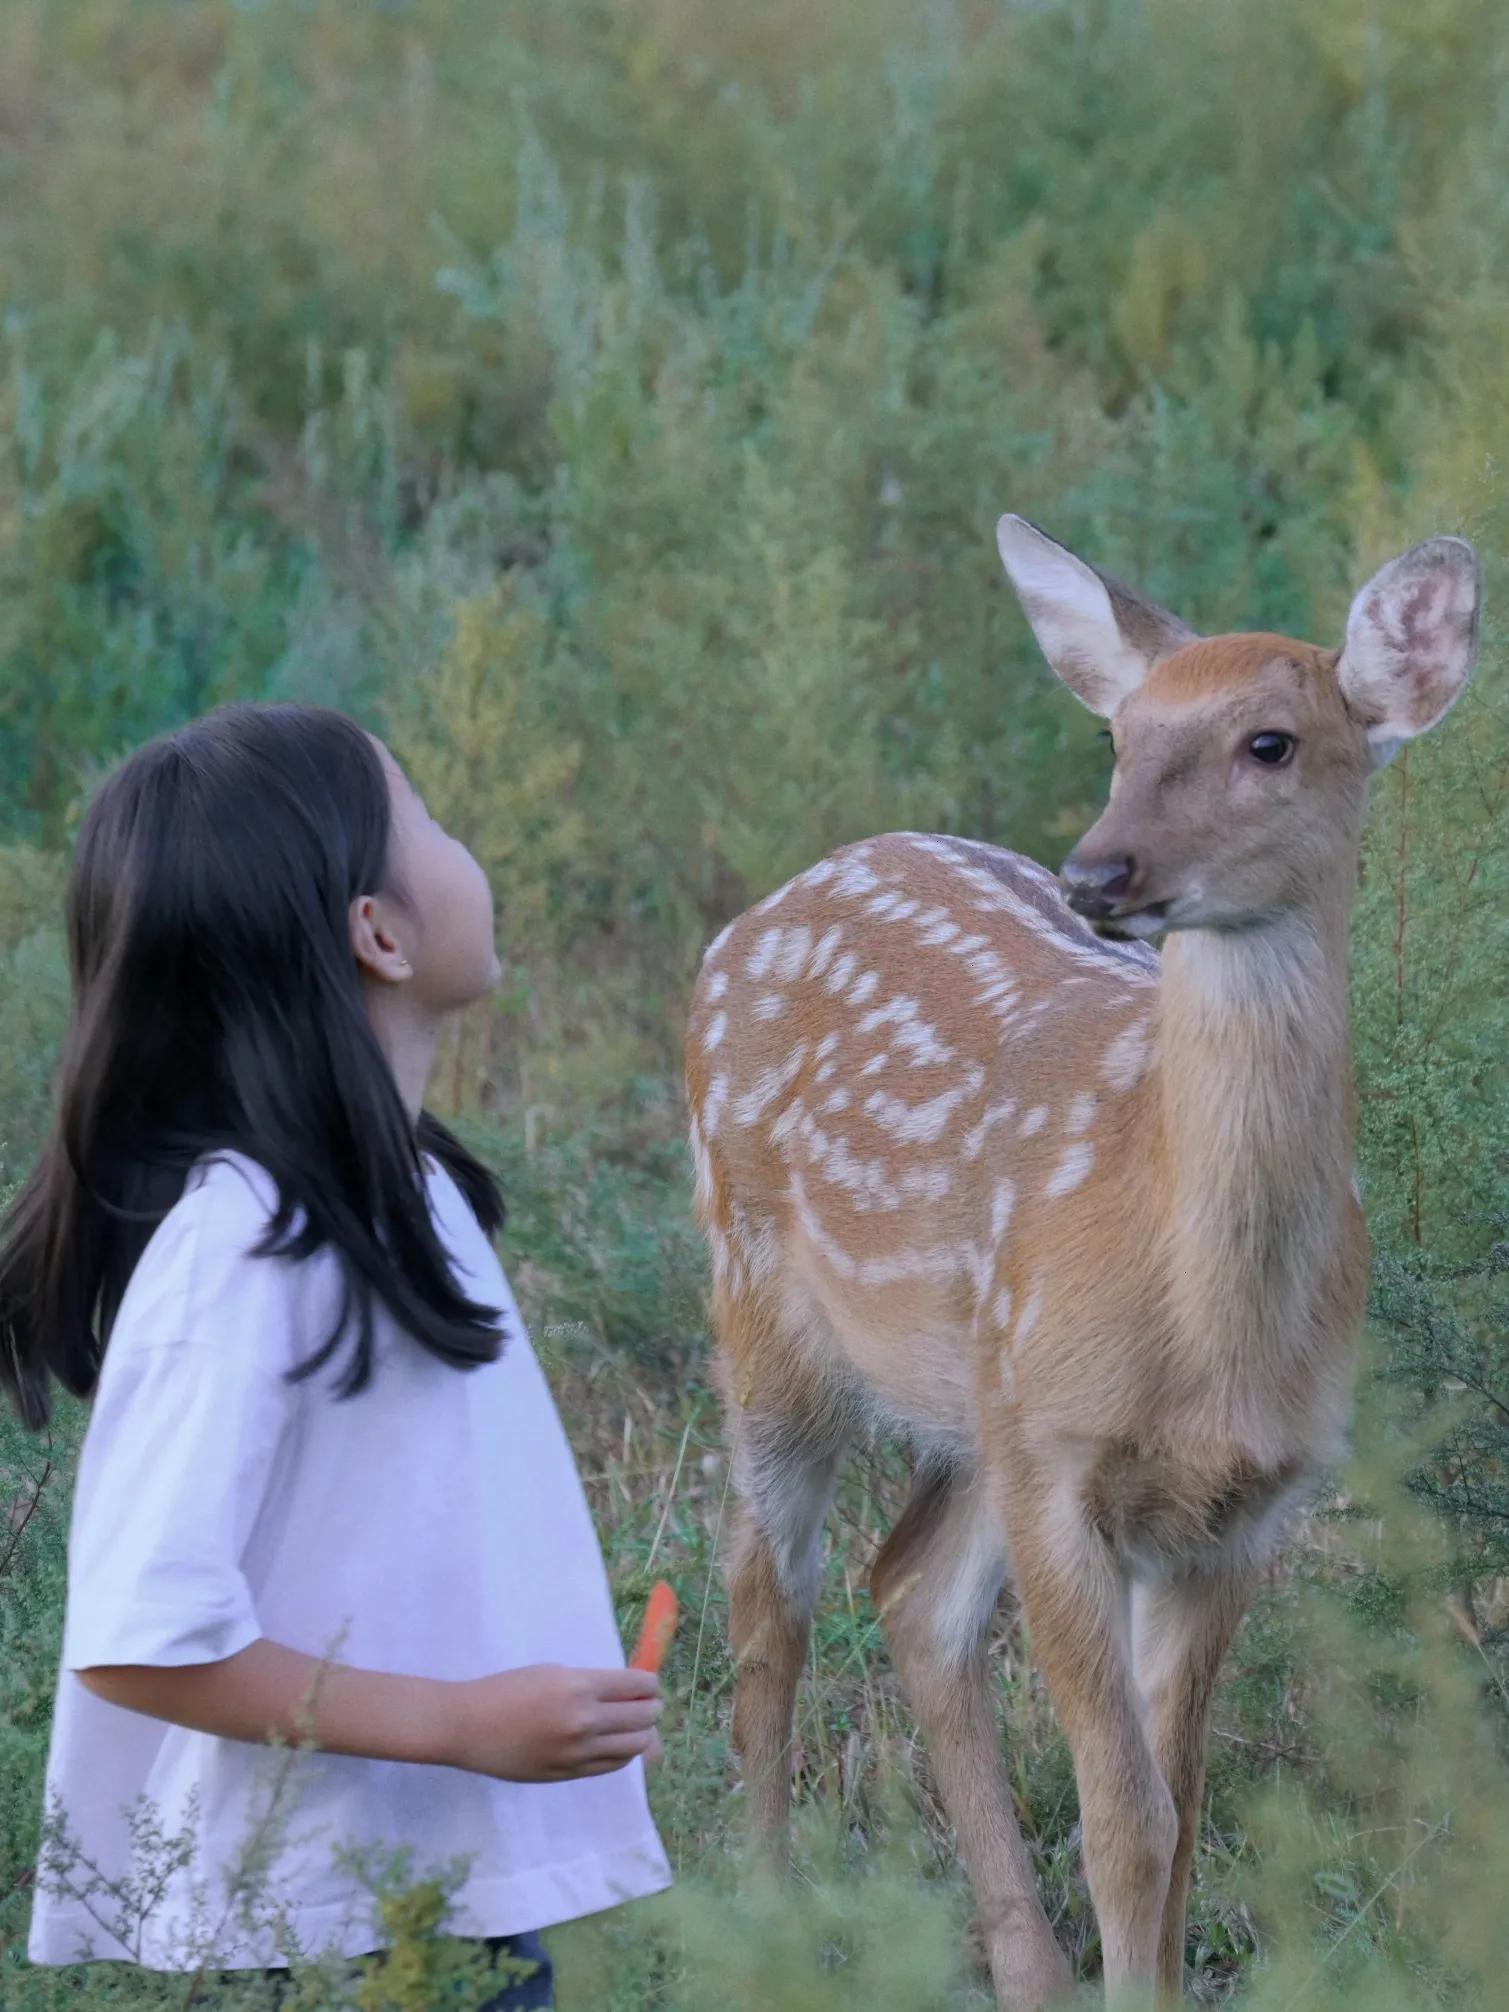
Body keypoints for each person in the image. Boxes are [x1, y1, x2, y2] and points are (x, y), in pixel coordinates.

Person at [0, 703, 672, 2006]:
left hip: (426, 1900)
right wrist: (464, 1725)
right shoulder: (246, 1241)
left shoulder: (407, 1194)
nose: (457, 841)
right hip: (316, 1933)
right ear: (378, 931)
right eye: (422, 814)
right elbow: (140, 1637)